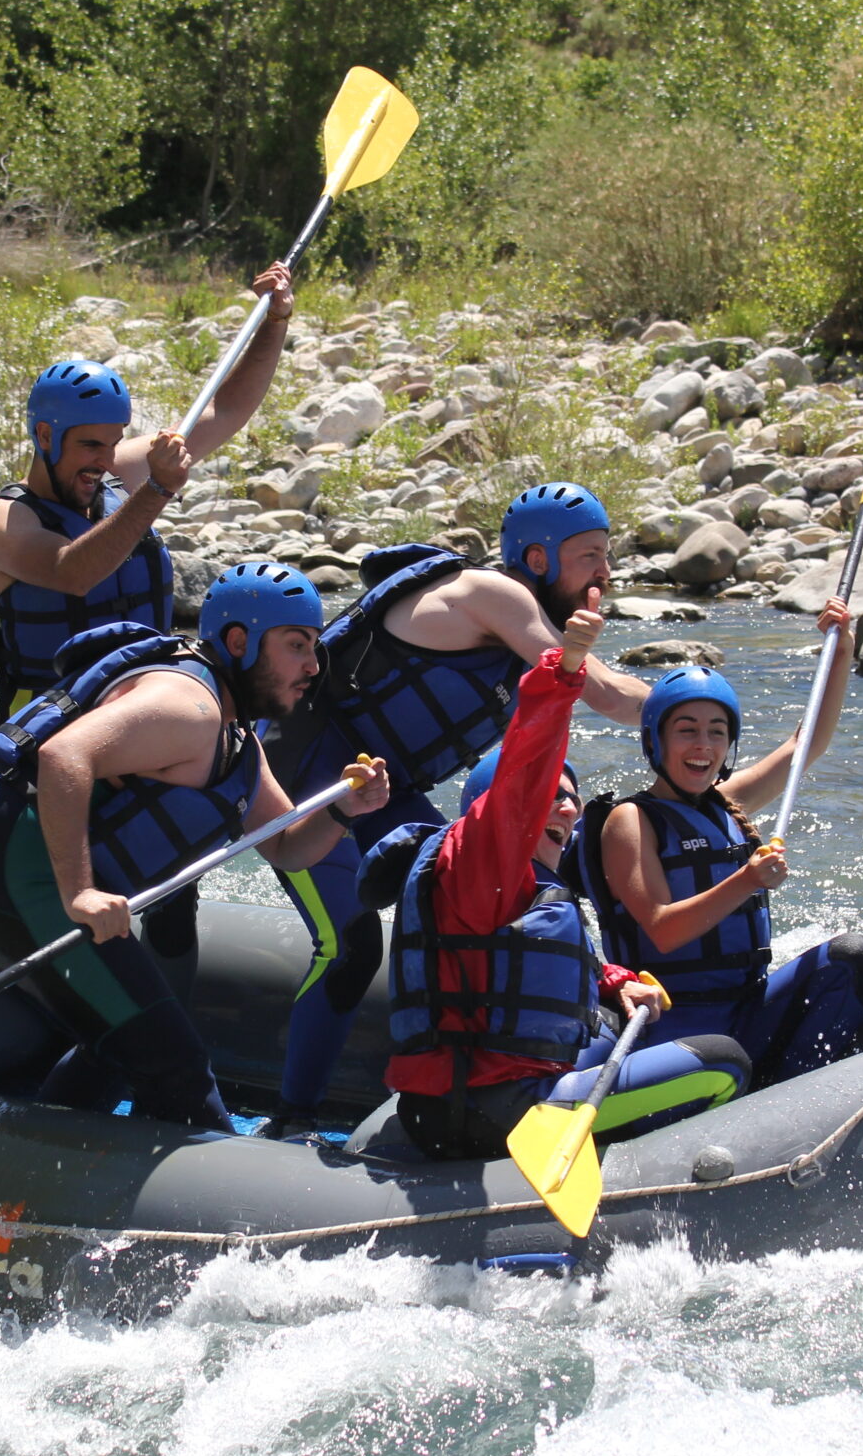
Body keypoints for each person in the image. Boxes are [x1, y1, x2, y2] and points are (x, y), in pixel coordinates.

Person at [0, 563, 391, 1131]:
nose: (312, 666)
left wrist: (346, 809)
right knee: (174, 1062)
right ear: (240, 642)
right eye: (297, 646)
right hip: (3, 865)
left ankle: (40, 1167)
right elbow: (64, 756)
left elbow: (288, 848)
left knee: (125, 1046)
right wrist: (81, 895)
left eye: (315, 648)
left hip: (27, 873)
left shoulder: (235, 736)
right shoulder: (188, 706)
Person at [260, 481, 654, 1135]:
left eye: (606, 556)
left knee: (474, 913)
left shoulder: (519, 612)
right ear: (537, 560)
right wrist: (697, 705)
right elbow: (605, 693)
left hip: (382, 787)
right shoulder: (495, 595)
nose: (605, 573)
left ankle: (472, 1066)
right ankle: (292, 1117)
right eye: (589, 556)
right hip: (307, 779)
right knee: (351, 945)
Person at [359, 597, 748, 1162]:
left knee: (613, 1024)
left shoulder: (523, 890)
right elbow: (529, 757)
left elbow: (541, 967)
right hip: (499, 1109)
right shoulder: (481, 859)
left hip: (472, 1096)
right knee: (722, 1063)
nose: (566, 809)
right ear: (502, 809)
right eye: (549, 798)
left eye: (571, 798)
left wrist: (614, 981)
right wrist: (566, 667)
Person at [0, 264, 297, 730]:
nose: (105, 460)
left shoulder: (113, 473)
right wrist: (157, 488)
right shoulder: (0, 523)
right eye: (90, 445)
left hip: (148, 700)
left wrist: (275, 323)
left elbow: (225, 410)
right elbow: (74, 571)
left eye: (114, 443)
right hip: (54, 724)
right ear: (46, 436)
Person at [571, 608, 863, 1086]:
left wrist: (841, 653)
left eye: (717, 731)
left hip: (747, 1004)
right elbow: (662, 930)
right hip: (674, 1021)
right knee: (721, 1056)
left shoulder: (728, 803)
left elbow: (808, 743)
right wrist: (747, 881)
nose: (703, 744)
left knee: (855, 958)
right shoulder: (630, 821)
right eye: (687, 729)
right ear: (656, 741)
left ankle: (797, 1091)